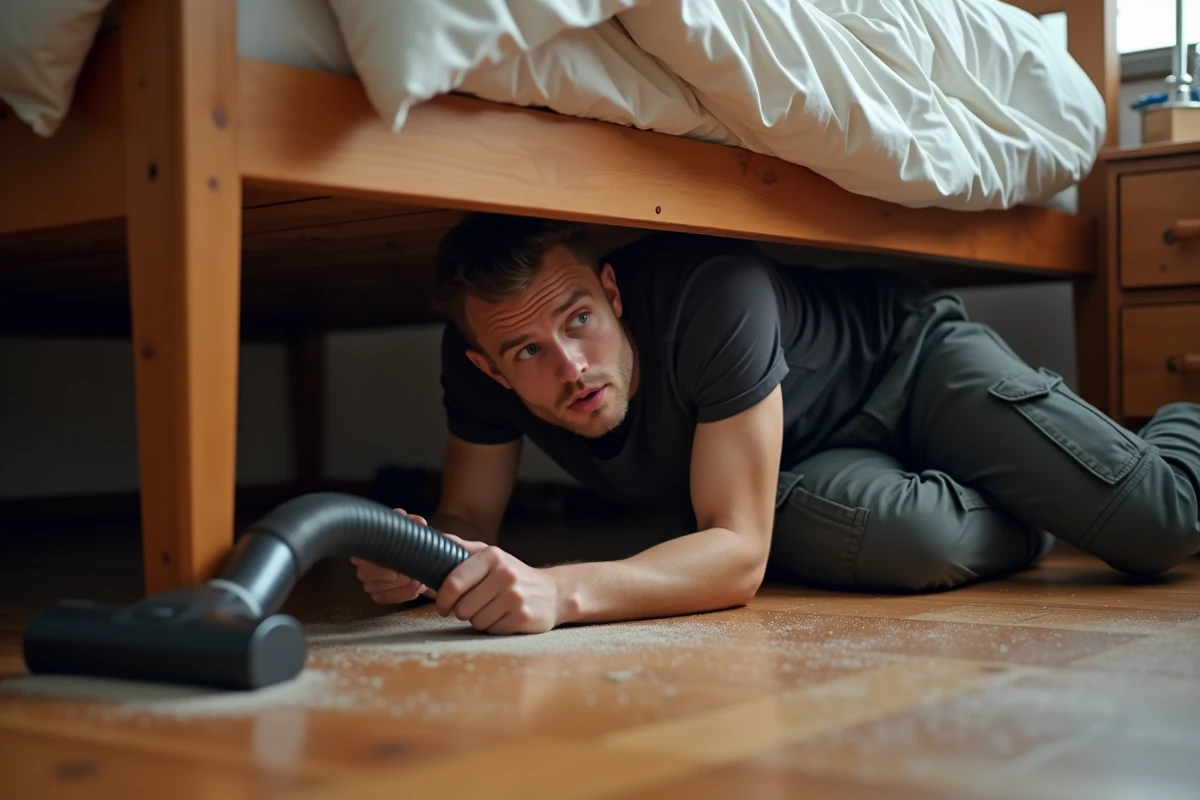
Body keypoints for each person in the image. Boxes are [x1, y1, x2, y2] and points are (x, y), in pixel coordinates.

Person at [351, 213, 1200, 635]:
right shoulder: (475, 358)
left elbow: (737, 560)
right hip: (799, 469)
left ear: (611, 293)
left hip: (908, 367)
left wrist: (560, 591)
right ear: (486, 367)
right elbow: (470, 519)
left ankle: (1182, 425)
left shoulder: (710, 290)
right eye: (526, 353)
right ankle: (1037, 508)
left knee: (1159, 527)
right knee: (906, 543)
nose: (570, 366)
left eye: (578, 322)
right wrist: (423, 559)